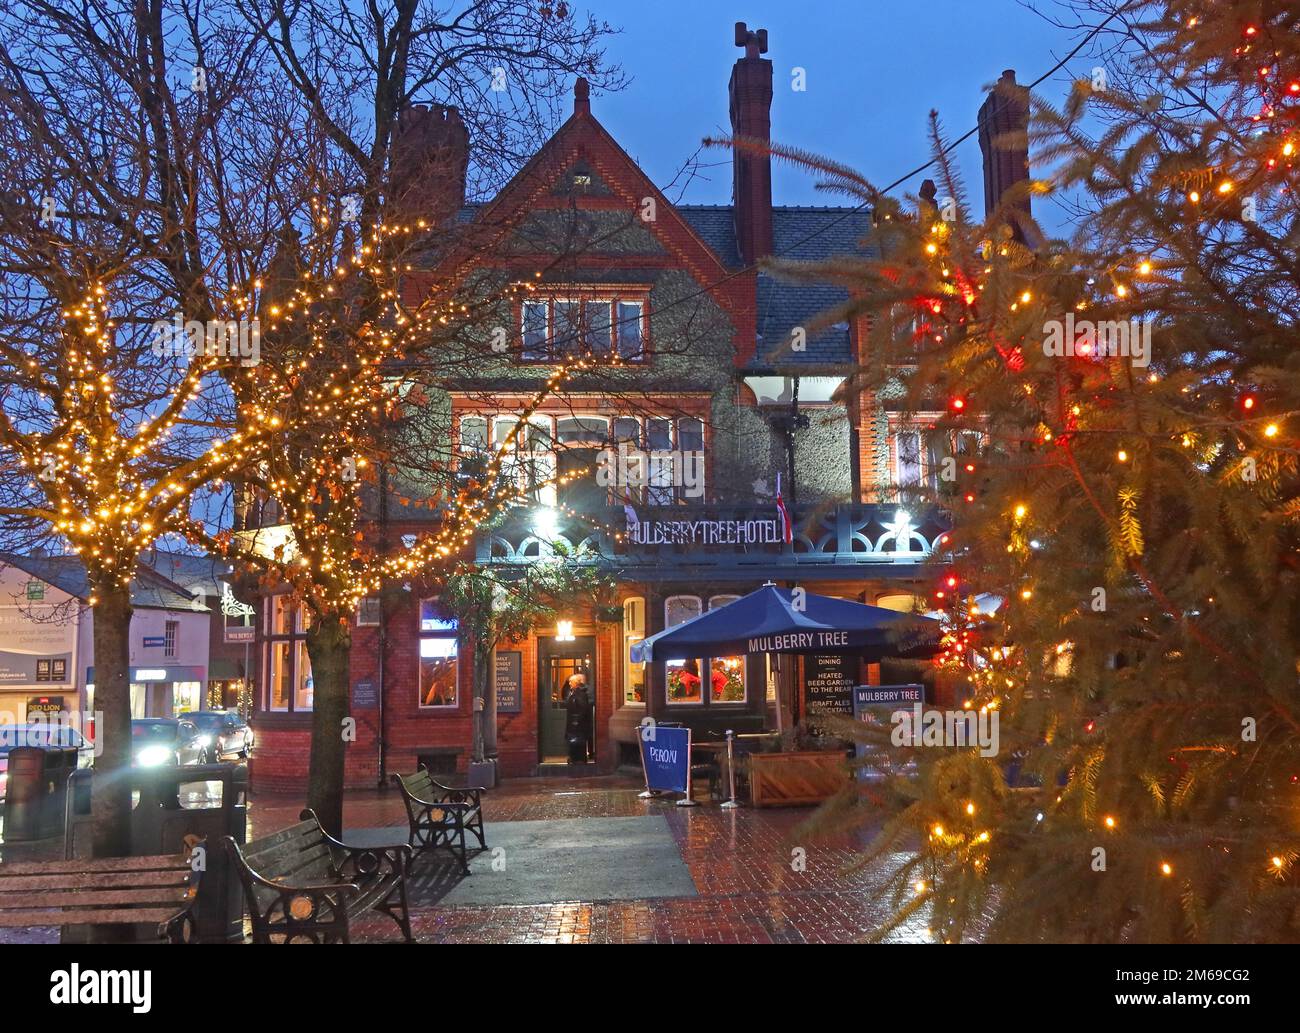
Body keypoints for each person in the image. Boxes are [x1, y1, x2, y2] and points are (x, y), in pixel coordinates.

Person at [563, 672, 594, 762]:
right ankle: (574, 758)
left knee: (577, 741)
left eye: (571, 682)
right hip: (574, 723)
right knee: (573, 741)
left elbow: (582, 708)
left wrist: (576, 720)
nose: (569, 683)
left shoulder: (580, 693)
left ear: (576, 683)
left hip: (577, 725)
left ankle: (577, 759)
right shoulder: (573, 692)